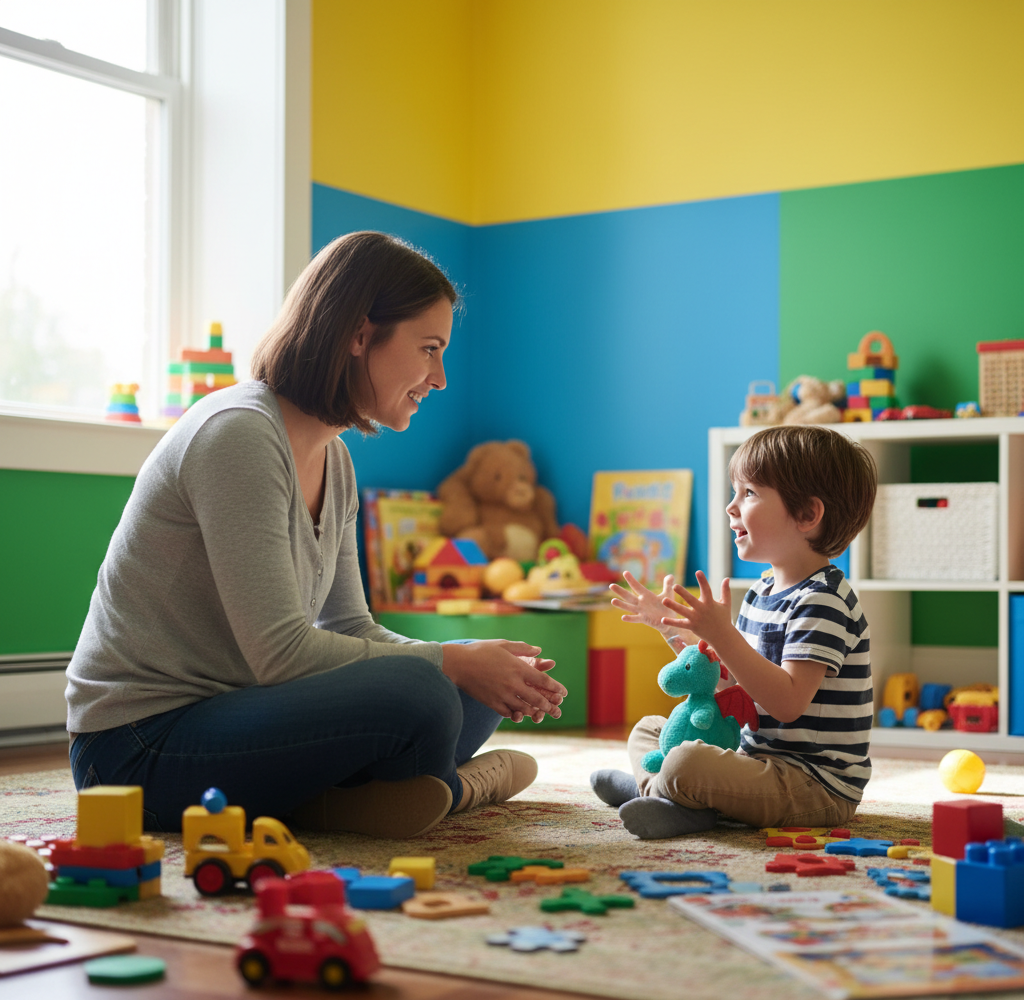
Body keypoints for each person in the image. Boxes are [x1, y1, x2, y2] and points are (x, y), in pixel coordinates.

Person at [66, 231, 567, 840]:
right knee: (424, 689)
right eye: (429, 348)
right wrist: (447, 662)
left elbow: (351, 628)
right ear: (359, 335)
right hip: (137, 750)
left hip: (242, 717)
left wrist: (481, 666)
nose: (439, 378)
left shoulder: (335, 461)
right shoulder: (238, 436)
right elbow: (281, 653)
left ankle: (362, 795)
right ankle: (443, 787)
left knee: (479, 680)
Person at [590, 425, 877, 839]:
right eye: (735, 492)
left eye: (749, 494)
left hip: (814, 785)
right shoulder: (761, 591)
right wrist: (670, 628)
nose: (731, 507)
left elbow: (787, 703)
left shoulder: (825, 600)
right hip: (756, 760)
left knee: (685, 761)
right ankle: (662, 793)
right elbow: (726, 680)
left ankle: (663, 793)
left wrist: (723, 634)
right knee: (652, 729)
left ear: (807, 515)